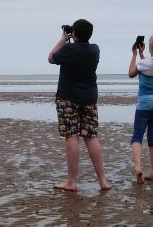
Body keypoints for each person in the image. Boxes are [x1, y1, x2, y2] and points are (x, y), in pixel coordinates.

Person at [47, 19, 112, 191]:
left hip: (68, 97)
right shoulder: (95, 50)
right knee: (91, 136)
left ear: (74, 33)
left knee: (72, 136)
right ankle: (103, 181)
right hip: (89, 97)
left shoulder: (69, 49)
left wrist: (63, 39)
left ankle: (72, 182)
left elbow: (51, 58)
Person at [128, 34, 153, 183]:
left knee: (137, 137)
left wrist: (134, 55)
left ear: (151, 47)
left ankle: (138, 167)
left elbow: (131, 73)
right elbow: (149, 65)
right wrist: (141, 54)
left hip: (144, 105)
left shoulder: (144, 64)